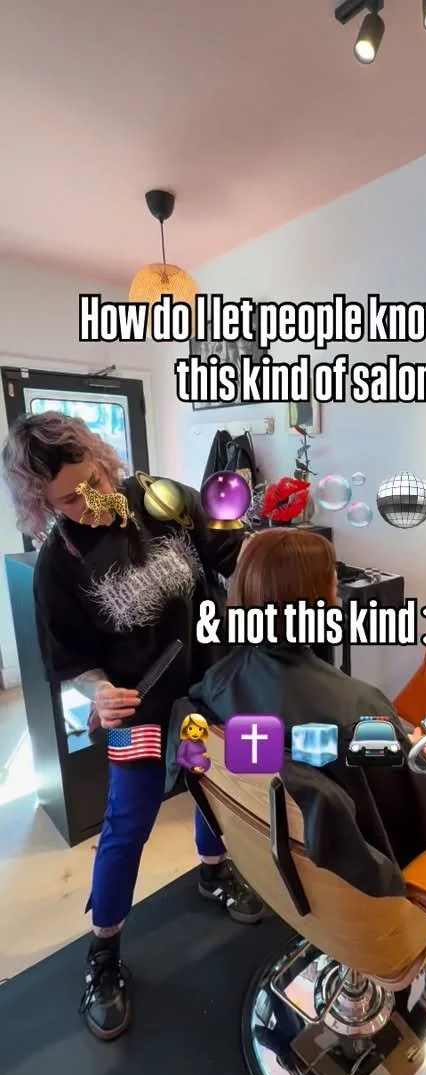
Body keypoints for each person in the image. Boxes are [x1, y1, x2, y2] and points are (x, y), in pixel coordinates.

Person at [1, 412, 264, 1043]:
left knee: (212, 783)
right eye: (68, 499)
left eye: (92, 482)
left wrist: (272, 551)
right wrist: (98, 690)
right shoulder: (58, 566)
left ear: (101, 459)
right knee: (127, 821)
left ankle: (212, 870)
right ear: (42, 503)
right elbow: (70, 662)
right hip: (136, 709)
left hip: (206, 684)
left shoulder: (162, 501)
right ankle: (105, 950)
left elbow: (233, 552)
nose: (89, 504)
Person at [186, 528, 426, 873]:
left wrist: (393, 741)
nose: (337, 589)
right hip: (367, 860)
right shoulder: (360, 710)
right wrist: (402, 746)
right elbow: (414, 817)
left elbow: (300, 744)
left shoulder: (217, 683)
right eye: (332, 580)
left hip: (280, 848)